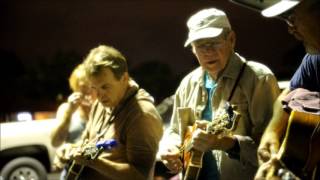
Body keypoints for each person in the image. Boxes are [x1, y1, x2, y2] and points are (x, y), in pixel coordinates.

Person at [158, 7, 280, 180]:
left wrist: (225, 143)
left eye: (214, 43)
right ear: (193, 49)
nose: (207, 51)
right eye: (200, 45)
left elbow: (273, 147)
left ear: (231, 39)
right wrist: (170, 148)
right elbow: (175, 132)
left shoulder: (259, 78)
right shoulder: (187, 84)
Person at [64, 45, 163, 180]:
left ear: (124, 78)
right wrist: (73, 151)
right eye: (94, 88)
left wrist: (93, 162)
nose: (99, 96)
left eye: (105, 87)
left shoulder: (142, 115)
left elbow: (140, 176)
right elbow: (91, 146)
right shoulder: (100, 104)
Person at [255, 0, 320, 179]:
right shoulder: (313, 60)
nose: (290, 29)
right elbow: (287, 94)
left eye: (292, 19)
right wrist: (272, 132)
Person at [51, 63, 96, 170]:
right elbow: (55, 142)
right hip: (72, 171)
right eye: (83, 87)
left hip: (97, 170)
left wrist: (73, 148)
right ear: (75, 88)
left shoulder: (104, 108)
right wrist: (69, 112)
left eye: (91, 86)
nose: (88, 91)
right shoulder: (66, 108)